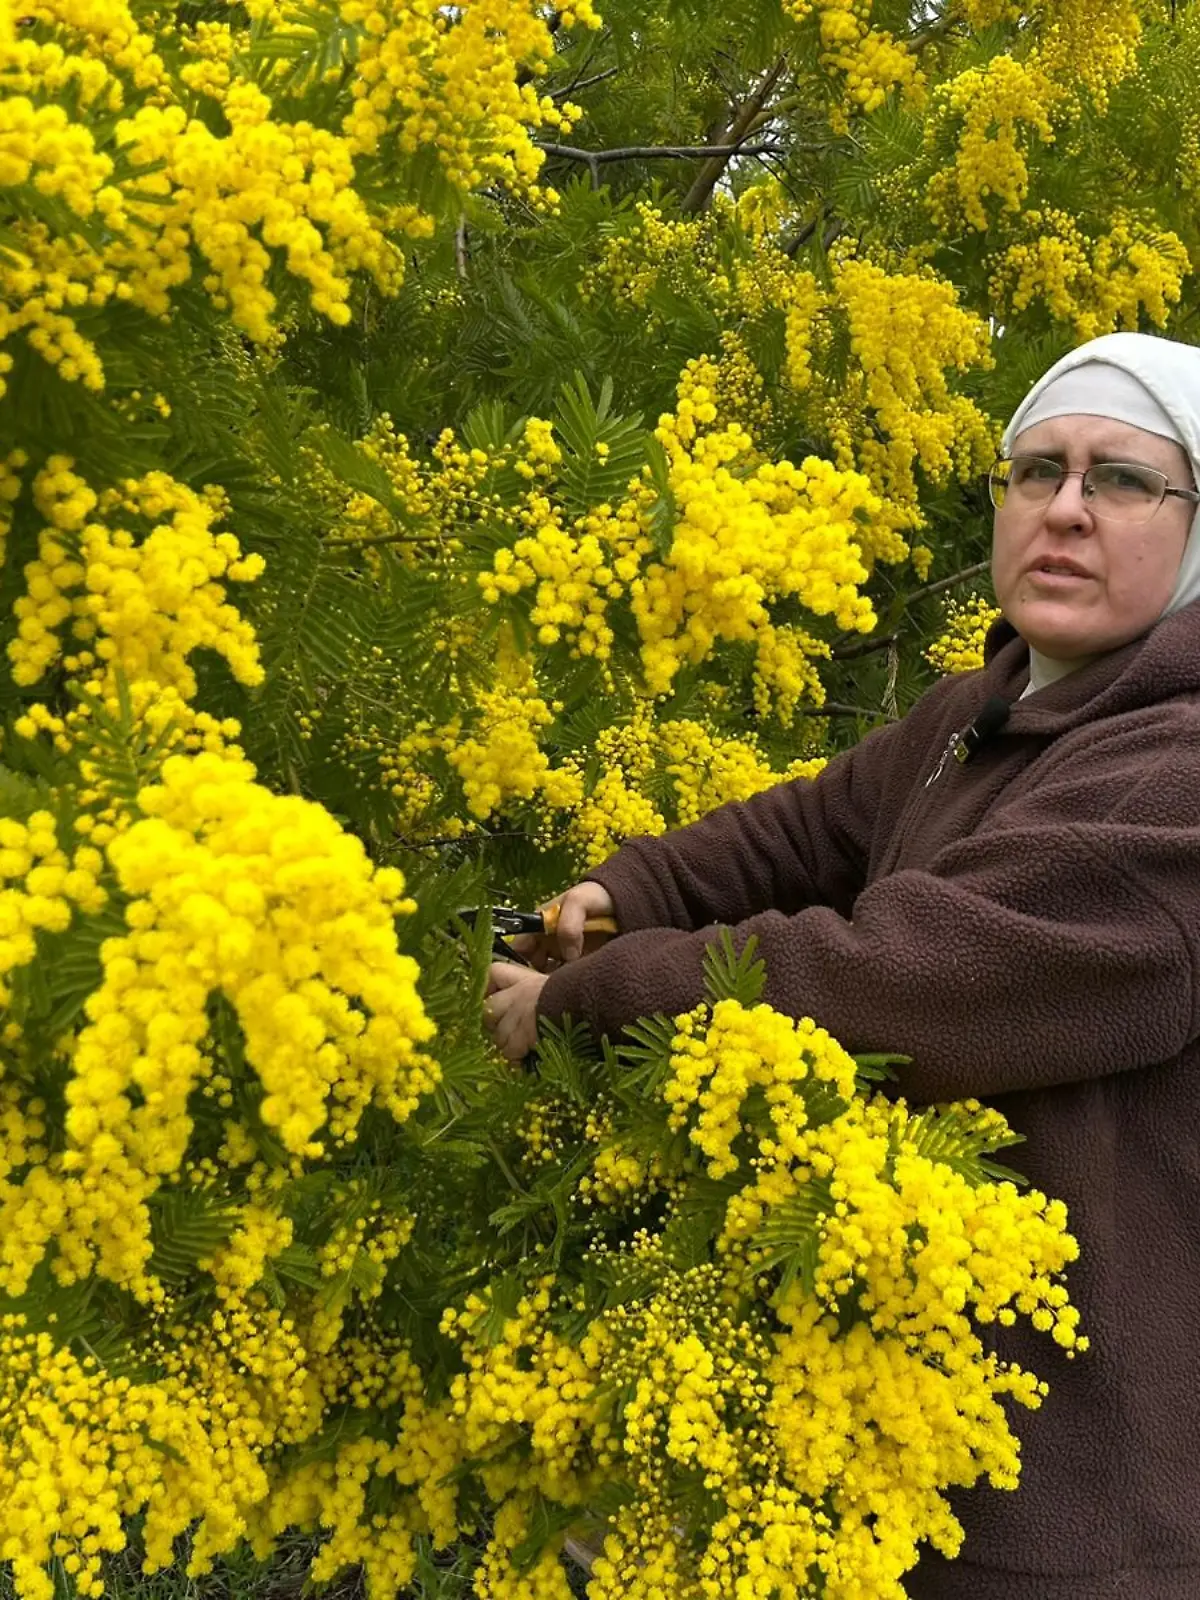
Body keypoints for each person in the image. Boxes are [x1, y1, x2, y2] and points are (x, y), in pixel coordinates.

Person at [481, 331, 1200, 1599]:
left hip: (1063, 1512)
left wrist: (585, 998)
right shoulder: (983, 709)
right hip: (851, 1444)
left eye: (1124, 480)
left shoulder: (1175, 775)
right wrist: (622, 888)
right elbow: (805, 828)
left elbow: (900, 981)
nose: (1068, 508)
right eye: (1036, 470)